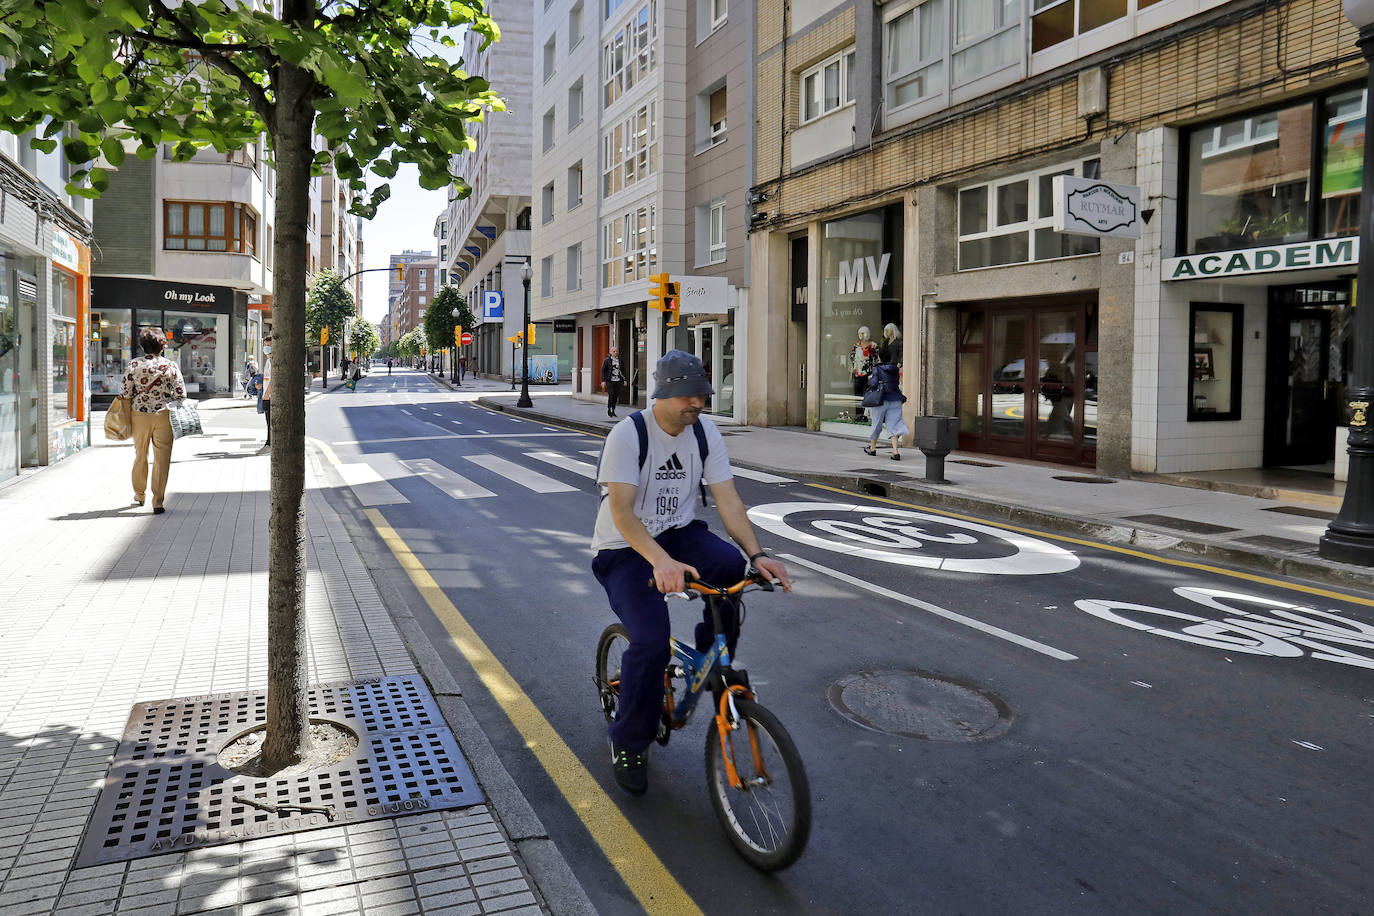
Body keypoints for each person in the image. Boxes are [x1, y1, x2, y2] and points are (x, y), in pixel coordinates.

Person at [591, 349, 792, 796]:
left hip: (678, 533)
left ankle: (712, 660)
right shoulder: (629, 436)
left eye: (701, 394)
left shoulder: (704, 433)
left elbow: (728, 499)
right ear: (661, 394)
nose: (696, 404)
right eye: (687, 395)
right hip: (625, 548)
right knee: (648, 641)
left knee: (729, 567)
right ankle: (628, 740)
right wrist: (658, 561)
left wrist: (758, 554)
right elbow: (622, 513)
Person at [121, 327, 187, 515]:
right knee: (162, 459)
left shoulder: (134, 365)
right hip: (164, 415)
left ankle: (139, 494)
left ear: (142, 346)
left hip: (139, 415)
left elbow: (125, 393)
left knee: (140, 454)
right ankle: (157, 501)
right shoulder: (170, 366)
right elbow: (181, 394)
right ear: (162, 346)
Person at [863, 346, 908, 461]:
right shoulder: (895, 369)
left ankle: (872, 448)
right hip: (895, 398)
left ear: (879, 358)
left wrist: (869, 378)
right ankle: (895, 451)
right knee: (894, 424)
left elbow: (873, 384)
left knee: (876, 424)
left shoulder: (877, 369)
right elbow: (896, 382)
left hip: (881, 399)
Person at [601, 346, 625, 418]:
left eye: (616, 351)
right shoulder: (607, 360)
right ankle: (609, 409)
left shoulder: (619, 360)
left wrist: (624, 380)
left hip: (617, 381)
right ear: (610, 352)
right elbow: (603, 371)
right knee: (611, 395)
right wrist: (603, 381)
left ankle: (613, 410)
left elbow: (622, 371)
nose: (616, 352)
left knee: (615, 396)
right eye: (614, 351)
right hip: (610, 381)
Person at [260, 336, 273, 449]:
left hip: (269, 396)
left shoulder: (273, 361)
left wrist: (266, 395)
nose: (266, 348)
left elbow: (274, 379)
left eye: (269, 345)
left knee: (270, 422)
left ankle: (269, 444)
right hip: (266, 395)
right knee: (268, 421)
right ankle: (268, 443)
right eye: (265, 345)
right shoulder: (268, 361)